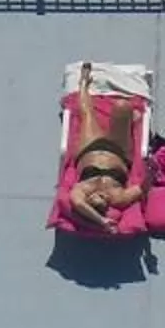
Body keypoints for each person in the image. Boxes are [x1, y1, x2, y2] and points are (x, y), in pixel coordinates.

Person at [63, 68, 145, 229]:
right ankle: (130, 122)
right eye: (102, 200)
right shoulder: (118, 197)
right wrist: (152, 172)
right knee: (122, 106)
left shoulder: (81, 190)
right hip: (119, 151)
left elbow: (78, 204)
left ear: (89, 201)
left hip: (89, 149)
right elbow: (142, 188)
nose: (98, 195)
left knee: (86, 114)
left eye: (93, 198)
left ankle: (83, 83)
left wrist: (100, 222)